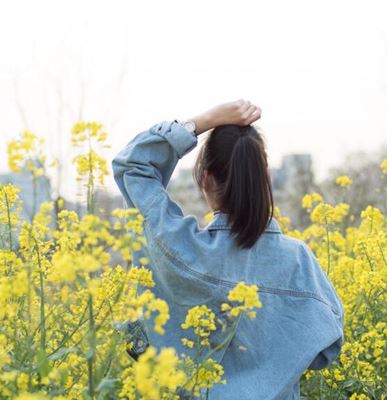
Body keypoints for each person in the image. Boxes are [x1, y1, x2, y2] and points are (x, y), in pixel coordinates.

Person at [112, 99, 344, 400]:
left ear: (206, 179)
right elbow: (325, 350)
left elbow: (133, 165)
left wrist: (203, 121)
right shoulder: (299, 261)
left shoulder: (178, 246)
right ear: (265, 179)